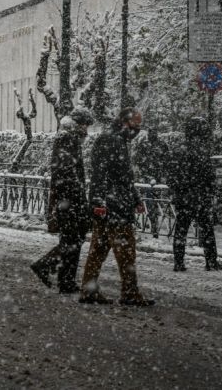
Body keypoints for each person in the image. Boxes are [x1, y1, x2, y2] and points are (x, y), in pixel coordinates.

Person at [80, 107, 154, 306]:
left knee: (99, 249)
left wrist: (136, 199)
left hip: (112, 204)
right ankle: (129, 292)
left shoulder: (117, 140)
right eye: (135, 125)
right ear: (124, 122)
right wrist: (98, 202)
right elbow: (100, 174)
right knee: (126, 251)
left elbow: (123, 177)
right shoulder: (111, 141)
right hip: (115, 207)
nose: (137, 129)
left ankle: (89, 290)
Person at [31, 108, 94, 294]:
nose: (87, 130)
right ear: (79, 124)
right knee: (72, 239)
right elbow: (67, 172)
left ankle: (64, 279)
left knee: (72, 239)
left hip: (69, 198)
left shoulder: (68, 137)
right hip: (70, 200)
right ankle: (49, 269)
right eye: (86, 125)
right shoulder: (68, 138)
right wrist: (77, 197)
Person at [169, 115, 222, 271]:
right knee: (207, 231)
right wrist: (209, 192)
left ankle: (178, 263)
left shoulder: (179, 151)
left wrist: (179, 192)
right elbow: (209, 177)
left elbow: (172, 177)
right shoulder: (202, 151)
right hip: (200, 198)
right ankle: (211, 261)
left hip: (184, 199)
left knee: (181, 231)